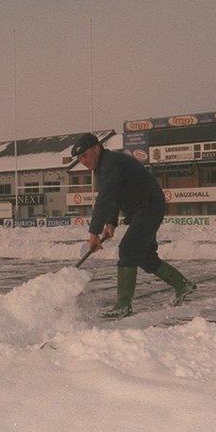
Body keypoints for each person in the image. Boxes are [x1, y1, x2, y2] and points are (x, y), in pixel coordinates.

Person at [72, 133, 196, 318]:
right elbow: (113, 197)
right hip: (142, 208)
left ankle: (123, 305)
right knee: (143, 255)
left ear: (97, 148)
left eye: (85, 156)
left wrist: (94, 232)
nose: (83, 161)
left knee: (128, 250)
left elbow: (105, 197)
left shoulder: (112, 163)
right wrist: (111, 223)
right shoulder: (102, 167)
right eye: (80, 158)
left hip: (149, 205)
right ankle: (182, 284)